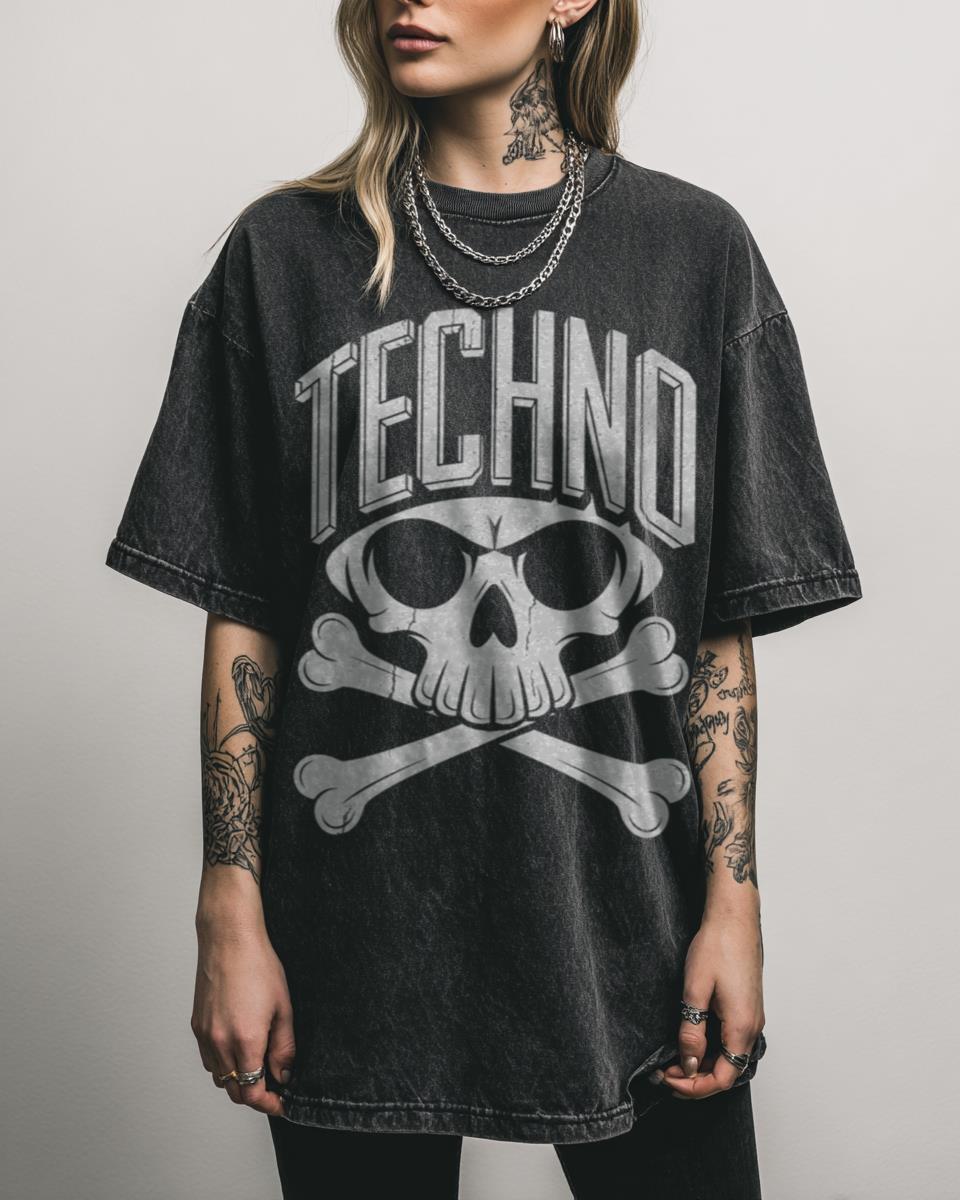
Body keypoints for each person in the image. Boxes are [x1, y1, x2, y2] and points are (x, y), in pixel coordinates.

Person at [104, 1, 863, 1196]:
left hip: (633, 929)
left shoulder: (695, 253)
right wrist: (229, 905)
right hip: (351, 940)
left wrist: (735, 902)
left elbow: (714, 634)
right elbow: (244, 612)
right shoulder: (283, 256)